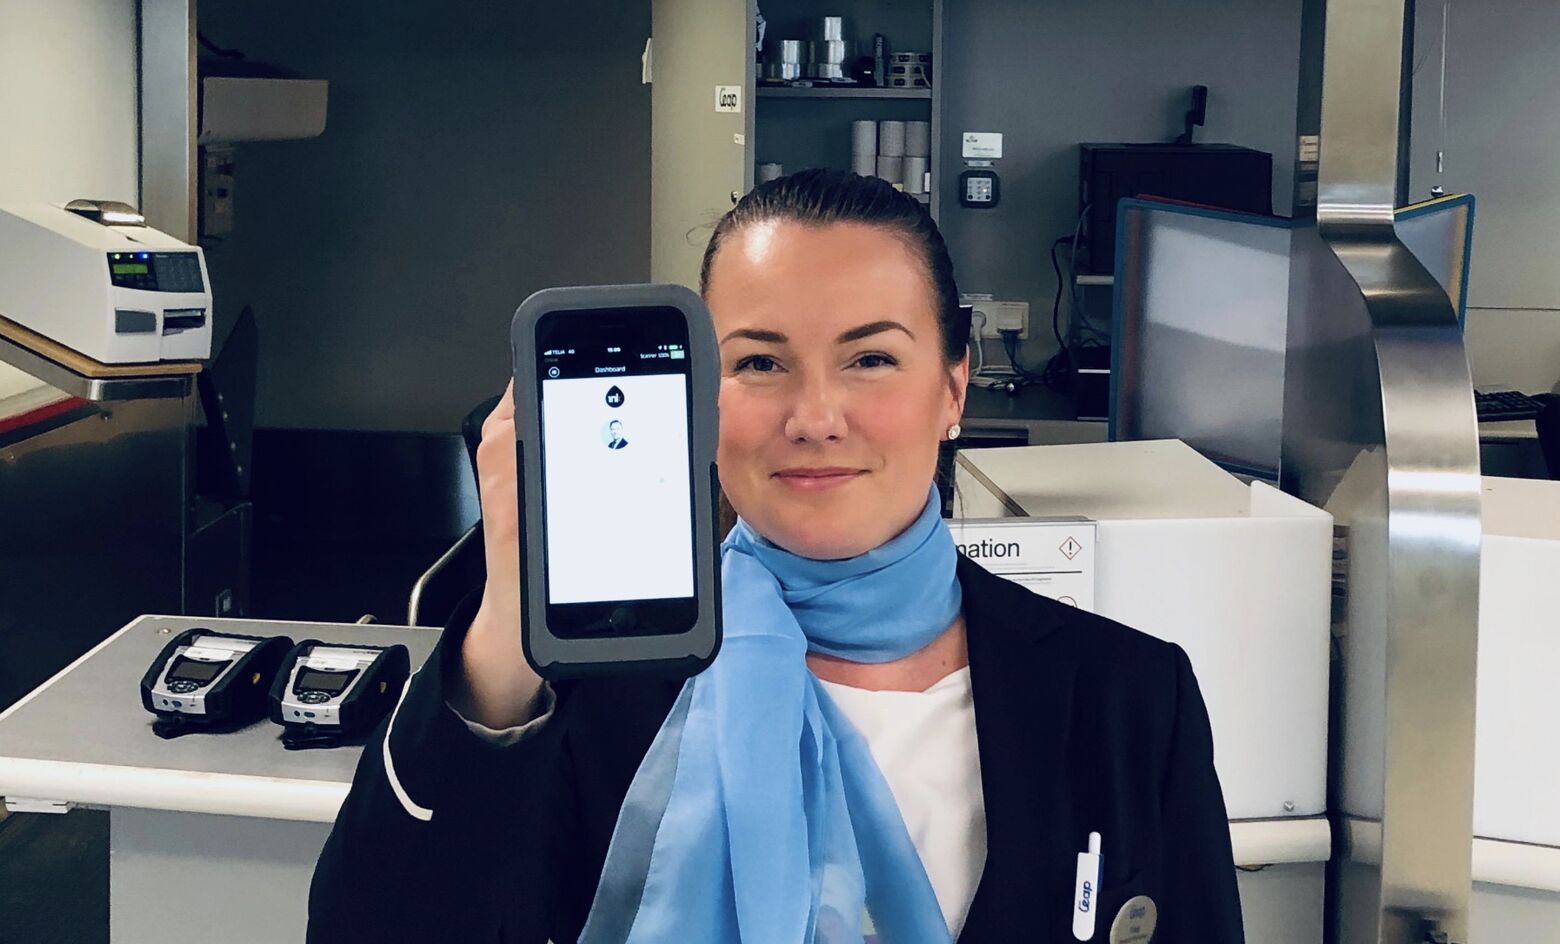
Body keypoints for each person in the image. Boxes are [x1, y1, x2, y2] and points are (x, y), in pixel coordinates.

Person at [307, 170, 1243, 943]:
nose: (815, 418)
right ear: (700, 398)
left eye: (871, 359)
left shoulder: (1126, 696)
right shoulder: (592, 686)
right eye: (759, 363)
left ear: (953, 389)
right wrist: (509, 628)